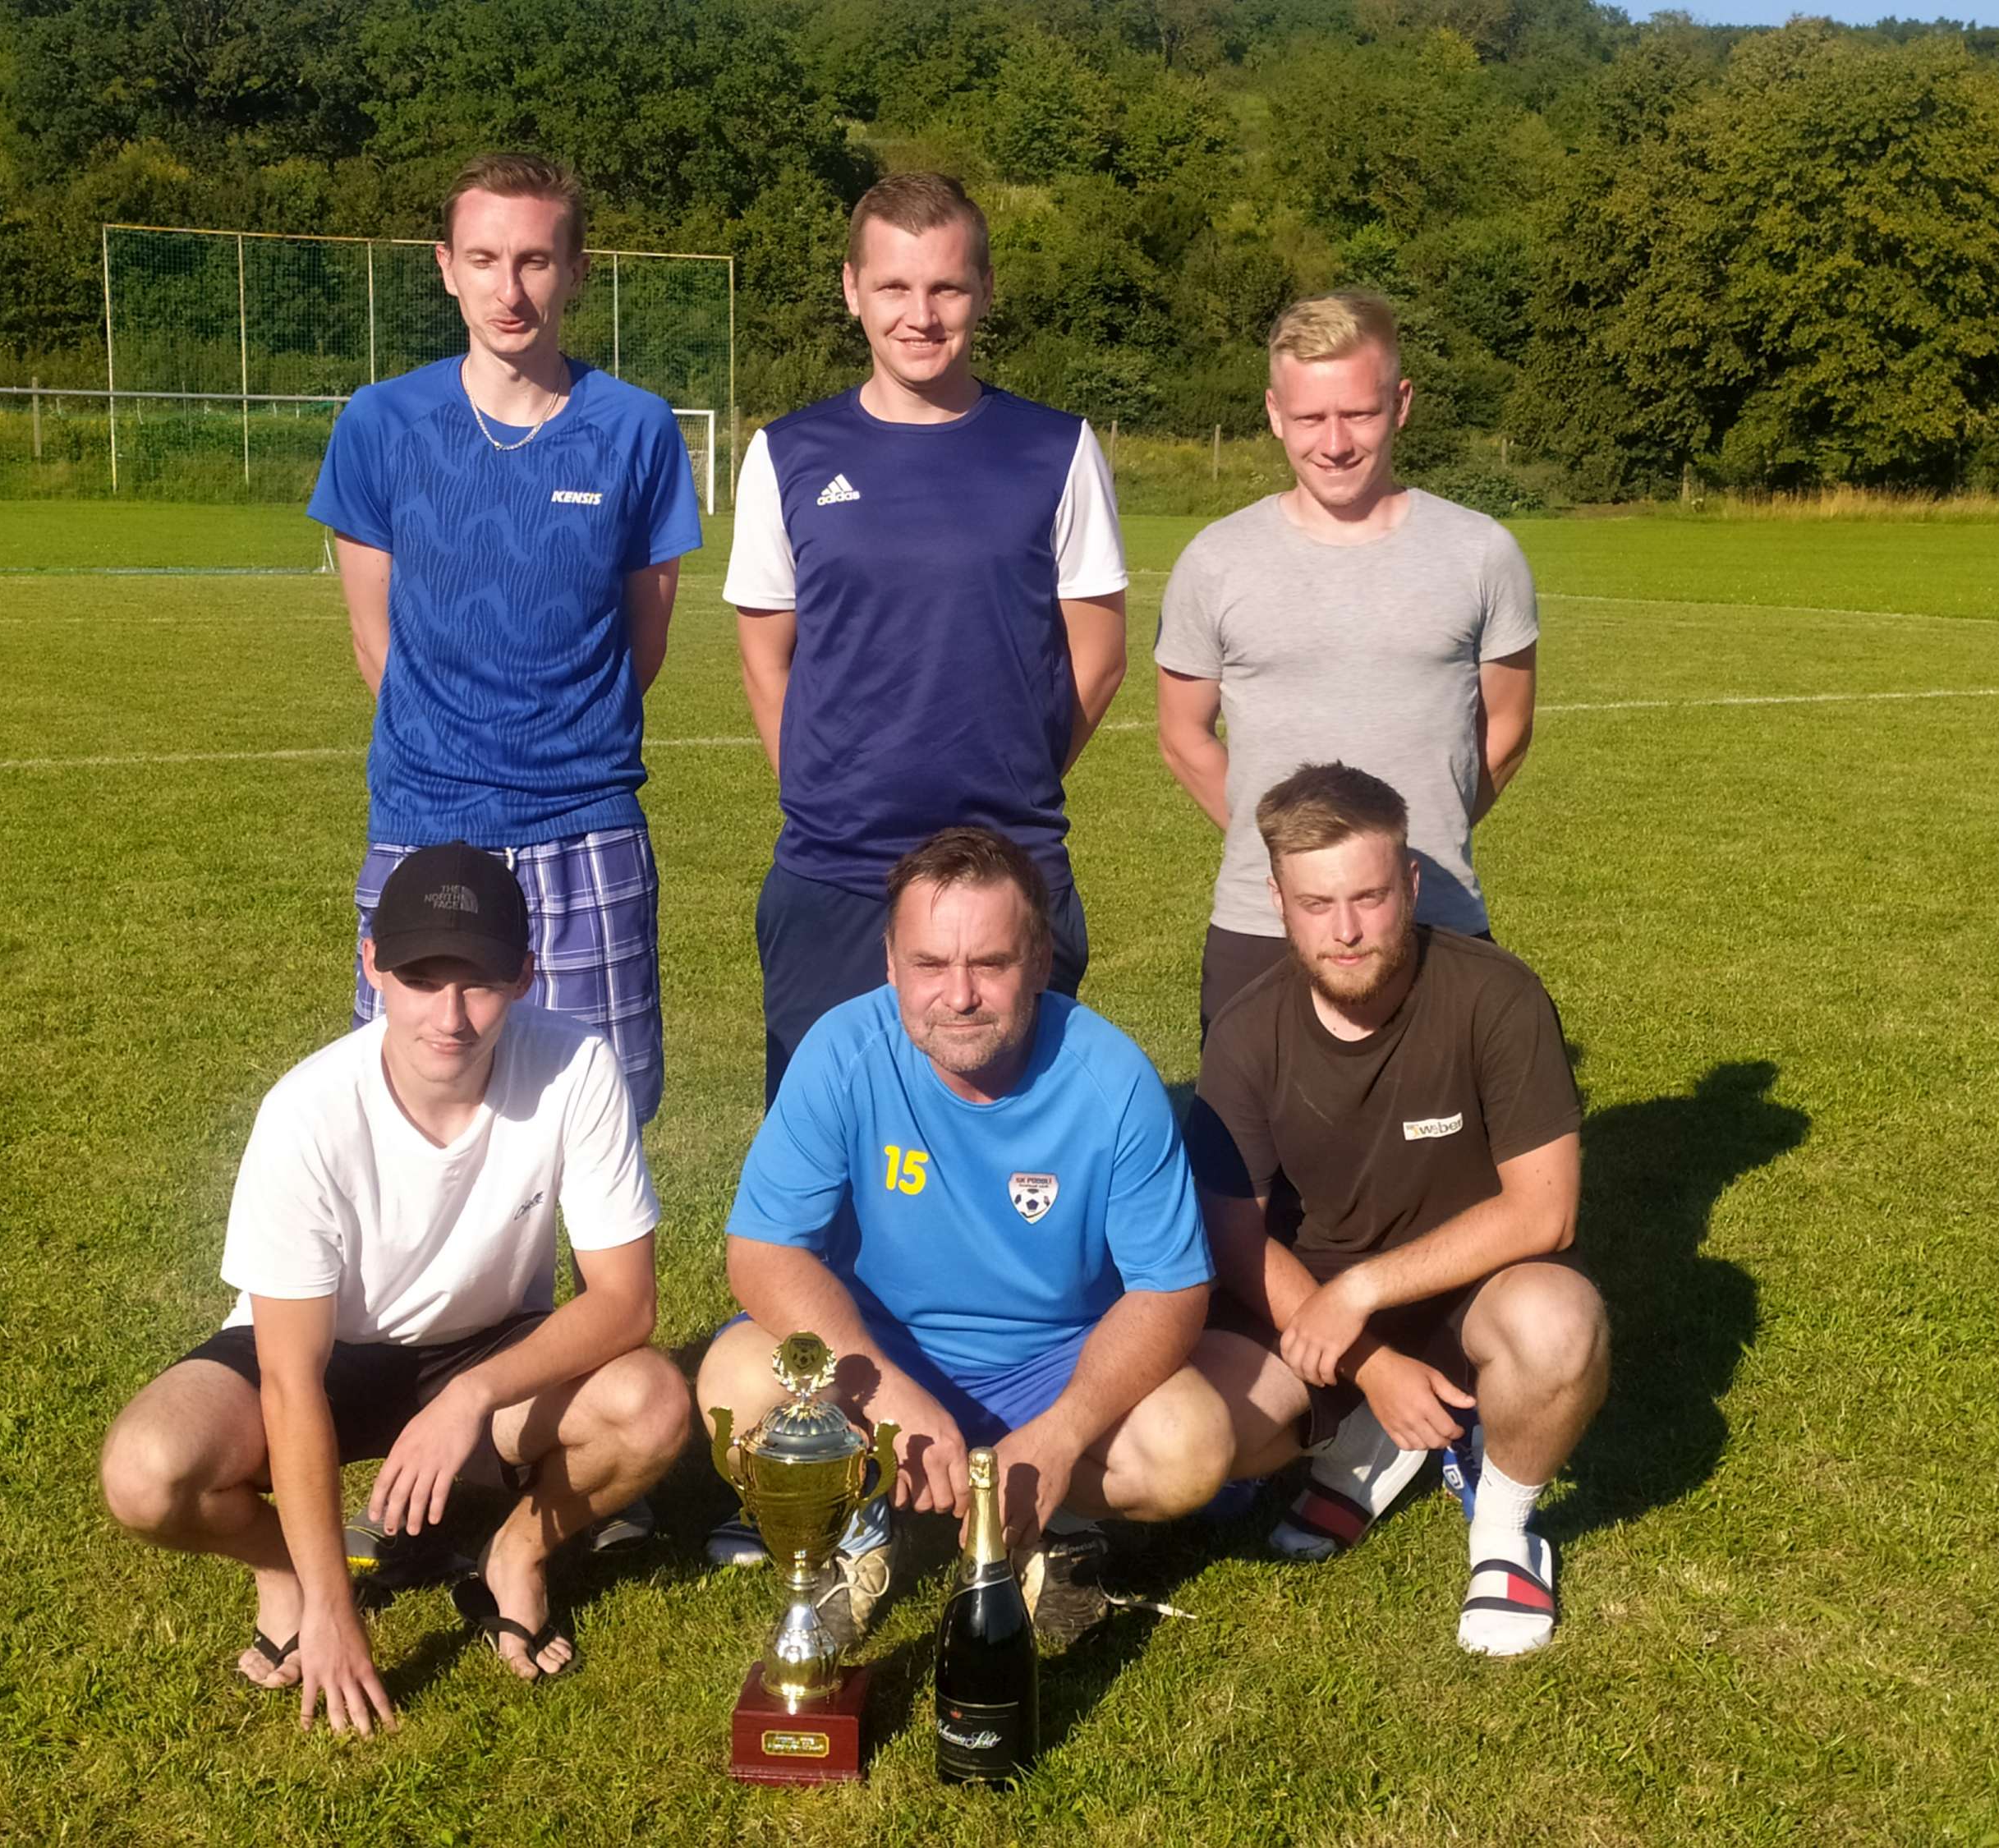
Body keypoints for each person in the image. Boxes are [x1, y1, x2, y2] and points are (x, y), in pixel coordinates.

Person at [99, 845, 691, 1732]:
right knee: (146, 1473)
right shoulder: (306, 1113)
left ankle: (515, 1555)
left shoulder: (578, 1068)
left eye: (479, 981)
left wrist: (470, 1397)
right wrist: (332, 1606)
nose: (450, 1016)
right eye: (420, 978)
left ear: (525, 976)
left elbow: (626, 1303)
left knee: (653, 1403)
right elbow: (291, 1380)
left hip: (485, 1342)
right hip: (324, 1353)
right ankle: (286, 1573)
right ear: (373, 964)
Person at [696, 827, 1230, 1643]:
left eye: (990, 963)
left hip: (1051, 1362)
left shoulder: (1112, 1077)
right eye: (929, 964)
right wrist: (881, 1386)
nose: (960, 994)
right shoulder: (843, 1050)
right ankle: (856, 1533)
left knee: (1190, 1445)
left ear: (1040, 961)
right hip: (884, 1349)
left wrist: (1064, 1431)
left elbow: (1172, 1288)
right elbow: (764, 1250)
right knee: (734, 1388)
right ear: (890, 964)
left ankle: (1054, 1525)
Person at [309, 150, 703, 1125]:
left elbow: (642, 644)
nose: (509, 289)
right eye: (484, 260)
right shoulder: (381, 423)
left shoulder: (638, 429)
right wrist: (457, 755)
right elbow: (373, 640)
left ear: (575, 270)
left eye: (534, 260)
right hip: (424, 822)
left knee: (601, 1119)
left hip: (587, 826)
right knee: (413, 1120)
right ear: (447, 267)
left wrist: (559, 749)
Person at [725, 172, 1131, 1101]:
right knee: (830, 1138)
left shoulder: (1057, 448)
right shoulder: (786, 453)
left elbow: (1100, 656)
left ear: (984, 290)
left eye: (946, 286)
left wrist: (1015, 773)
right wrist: (828, 791)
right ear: (851, 289)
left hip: (1012, 864)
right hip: (834, 873)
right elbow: (765, 657)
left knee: (1005, 1133)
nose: (920, 315)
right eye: (894, 286)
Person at [1185, 764, 1606, 1657]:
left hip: (1470, 1290)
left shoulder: (1497, 994)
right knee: (1190, 1435)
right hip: (1314, 1310)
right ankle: (1361, 1444)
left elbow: (1547, 1212)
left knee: (1560, 1325)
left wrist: (1363, 1292)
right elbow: (1231, 1232)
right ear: (1279, 900)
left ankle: (1504, 1528)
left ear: (1410, 884)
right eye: (1316, 903)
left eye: (1369, 897)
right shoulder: (1246, 1031)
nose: (1345, 931)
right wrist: (1370, 1364)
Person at [1155, 291, 1541, 1038]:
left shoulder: (1482, 553)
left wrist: (1404, 847)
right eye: (1309, 418)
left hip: (1437, 918)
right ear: (1274, 413)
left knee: (1446, 1118)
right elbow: (1183, 736)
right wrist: (1300, 854)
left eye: (1358, 414)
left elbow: (1508, 727)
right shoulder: (1215, 561)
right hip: (1262, 926)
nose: (1333, 443)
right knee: (1249, 1121)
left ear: (1401, 404)